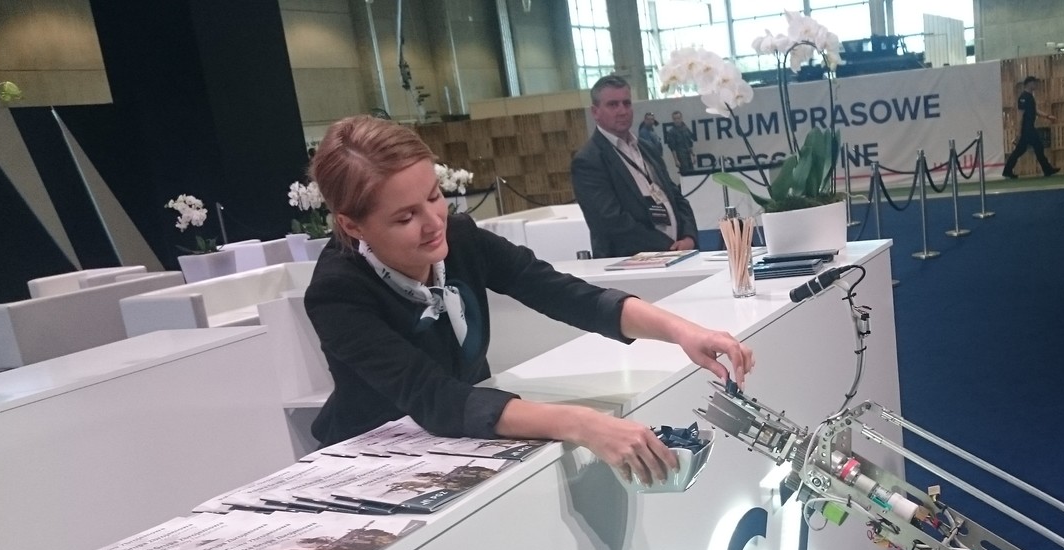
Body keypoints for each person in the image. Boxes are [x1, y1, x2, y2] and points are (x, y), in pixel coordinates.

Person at [303, 114, 752, 484]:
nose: (434, 222)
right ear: (352, 226)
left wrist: (682, 332)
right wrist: (582, 423)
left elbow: (563, 293)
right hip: (372, 466)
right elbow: (436, 398)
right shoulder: (337, 293)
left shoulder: (460, 238)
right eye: (405, 217)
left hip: (464, 445)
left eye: (434, 197)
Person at [572, 75, 698, 259]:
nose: (622, 111)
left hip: (677, 256)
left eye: (627, 103)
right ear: (595, 112)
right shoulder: (588, 160)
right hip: (628, 263)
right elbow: (611, 221)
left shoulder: (647, 149)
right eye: (613, 105)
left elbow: (676, 198)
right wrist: (669, 248)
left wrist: (689, 236)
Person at [1003, 75, 1059, 178]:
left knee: (1021, 150)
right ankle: (1047, 170)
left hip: (1029, 128)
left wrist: (1047, 116)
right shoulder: (1023, 97)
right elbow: (1020, 116)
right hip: (1027, 129)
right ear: (1029, 83)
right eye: (1034, 83)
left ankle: (1007, 170)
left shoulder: (1030, 96)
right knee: (1038, 147)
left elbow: (1035, 111)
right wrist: (1019, 132)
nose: (1036, 85)